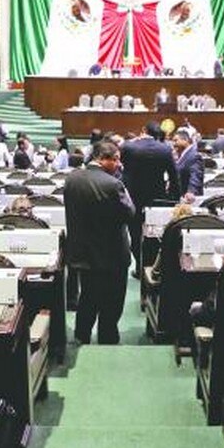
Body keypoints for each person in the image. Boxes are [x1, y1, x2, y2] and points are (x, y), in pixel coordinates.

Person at [64, 140, 135, 344]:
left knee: (87, 296)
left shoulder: (72, 179)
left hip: (83, 253)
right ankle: (108, 336)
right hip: (113, 254)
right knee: (112, 301)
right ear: (104, 159)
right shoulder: (113, 184)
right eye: (116, 160)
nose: (119, 165)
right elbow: (129, 213)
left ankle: (81, 336)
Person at [120, 122, 180, 270]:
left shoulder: (128, 146)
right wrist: (175, 198)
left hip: (132, 196)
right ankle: (150, 265)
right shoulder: (165, 149)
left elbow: (123, 170)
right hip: (157, 198)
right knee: (154, 232)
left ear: (143, 130)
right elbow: (174, 176)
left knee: (134, 232)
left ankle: (139, 265)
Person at [173, 129, 203, 200]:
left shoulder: (194, 156)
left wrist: (191, 191)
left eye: (176, 140)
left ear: (185, 140)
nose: (173, 144)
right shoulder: (182, 155)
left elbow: (195, 175)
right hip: (181, 196)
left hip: (189, 198)